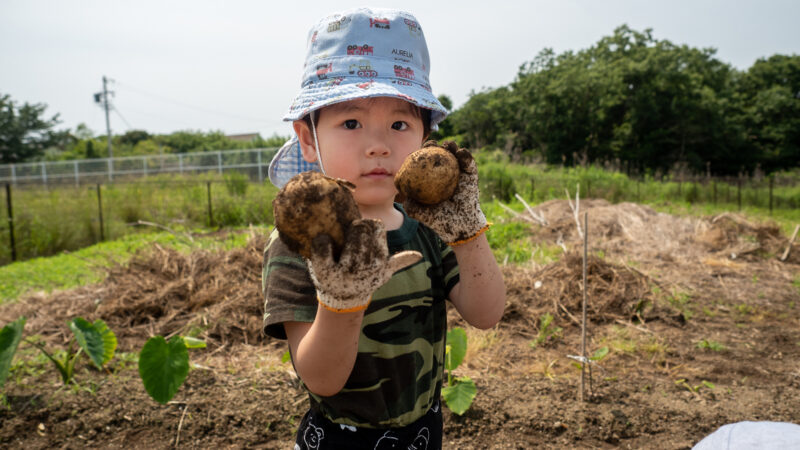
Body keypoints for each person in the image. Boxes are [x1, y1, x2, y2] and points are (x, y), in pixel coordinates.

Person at [262, 7, 506, 449]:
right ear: (307, 138)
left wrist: (468, 233)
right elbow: (321, 378)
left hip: (423, 433)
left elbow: (486, 314)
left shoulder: (429, 227)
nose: (378, 145)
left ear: (424, 138)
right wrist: (342, 298)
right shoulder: (299, 244)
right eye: (351, 123)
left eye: (399, 124)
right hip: (339, 439)